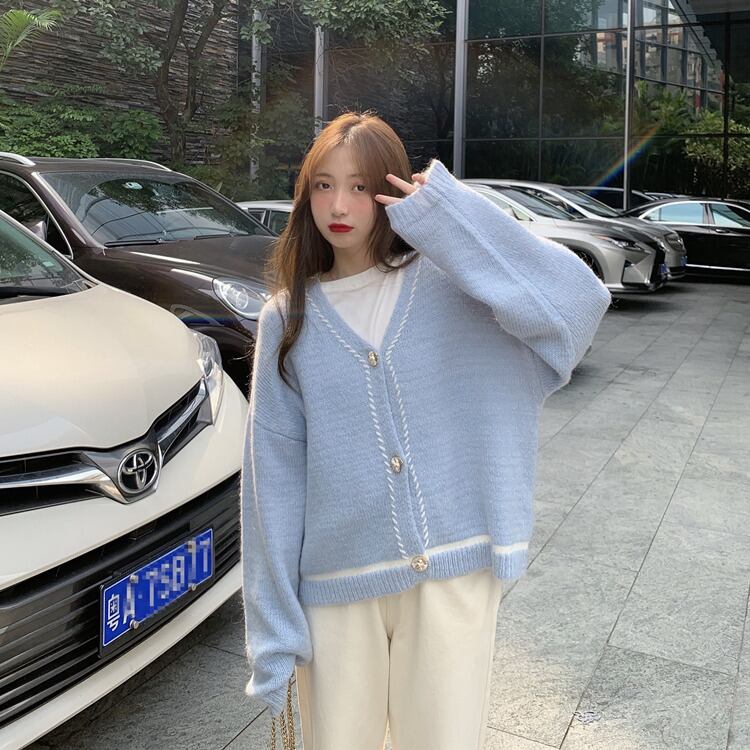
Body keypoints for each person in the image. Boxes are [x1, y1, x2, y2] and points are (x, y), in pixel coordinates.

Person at [241, 110, 611, 750]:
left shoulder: (454, 289)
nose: (339, 205)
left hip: (453, 575)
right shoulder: (287, 318)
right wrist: (273, 632)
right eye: (324, 185)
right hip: (335, 587)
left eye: (360, 186)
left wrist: (449, 215)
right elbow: (271, 483)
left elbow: (576, 306)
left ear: (390, 189)